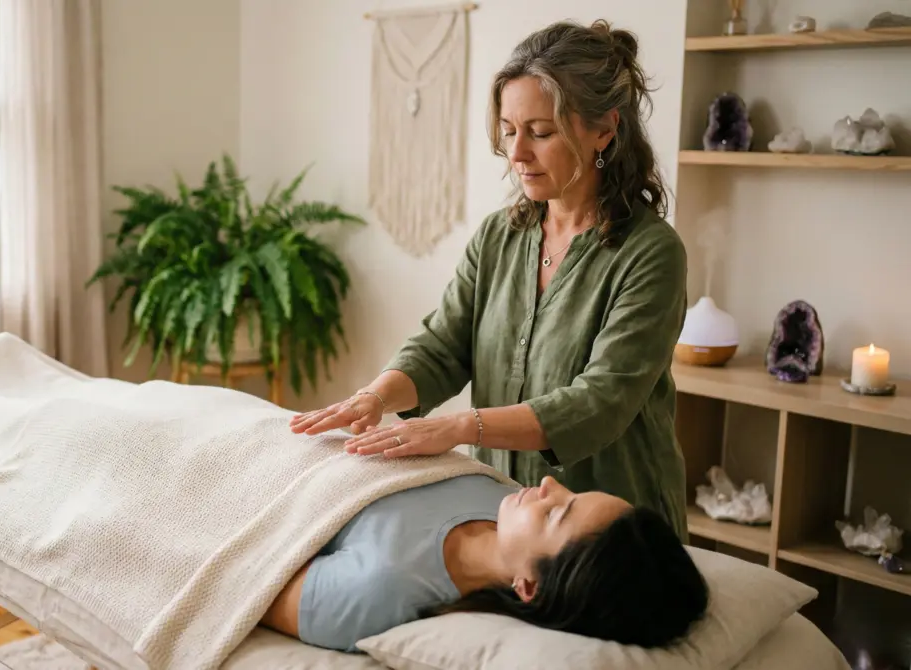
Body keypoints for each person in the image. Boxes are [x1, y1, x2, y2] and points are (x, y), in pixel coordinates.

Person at [290, 19, 691, 540]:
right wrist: (375, 397)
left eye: (541, 132)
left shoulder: (651, 253)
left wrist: (461, 426)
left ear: (604, 129)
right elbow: (443, 346)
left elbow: (602, 402)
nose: (517, 153)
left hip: (617, 528)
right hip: (509, 517)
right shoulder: (499, 236)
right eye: (508, 130)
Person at [260, 474, 708, 653]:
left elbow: (253, 577)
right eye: (570, 492)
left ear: (529, 586)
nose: (547, 483)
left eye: (555, 513)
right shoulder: (497, 495)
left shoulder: (379, 591)